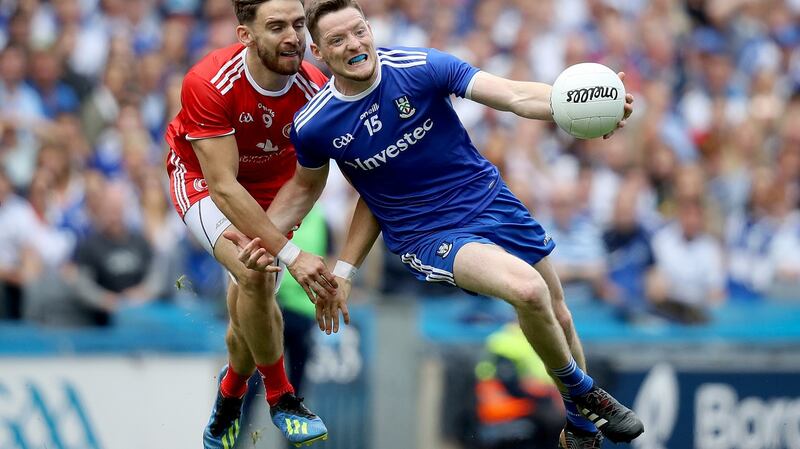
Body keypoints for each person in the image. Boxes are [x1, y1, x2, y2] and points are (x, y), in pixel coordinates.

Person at [235, 1, 645, 448]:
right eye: (337, 39)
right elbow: (304, 190)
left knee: (559, 311)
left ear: (370, 30)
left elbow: (512, 95)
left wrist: (580, 105)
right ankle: (585, 392)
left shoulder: (422, 66)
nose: (354, 44)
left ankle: (581, 428)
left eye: (359, 31)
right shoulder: (315, 125)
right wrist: (264, 239)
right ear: (318, 51)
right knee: (528, 290)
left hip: (488, 198)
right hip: (427, 234)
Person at [163, 1, 334, 447]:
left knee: (253, 285)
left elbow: (312, 180)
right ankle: (282, 398)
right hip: (205, 183)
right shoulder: (207, 81)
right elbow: (223, 187)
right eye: (276, 27)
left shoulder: (317, 89)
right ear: (245, 36)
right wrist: (291, 254)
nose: (292, 36)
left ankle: (230, 394)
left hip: (274, 194)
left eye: (298, 25)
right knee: (256, 272)